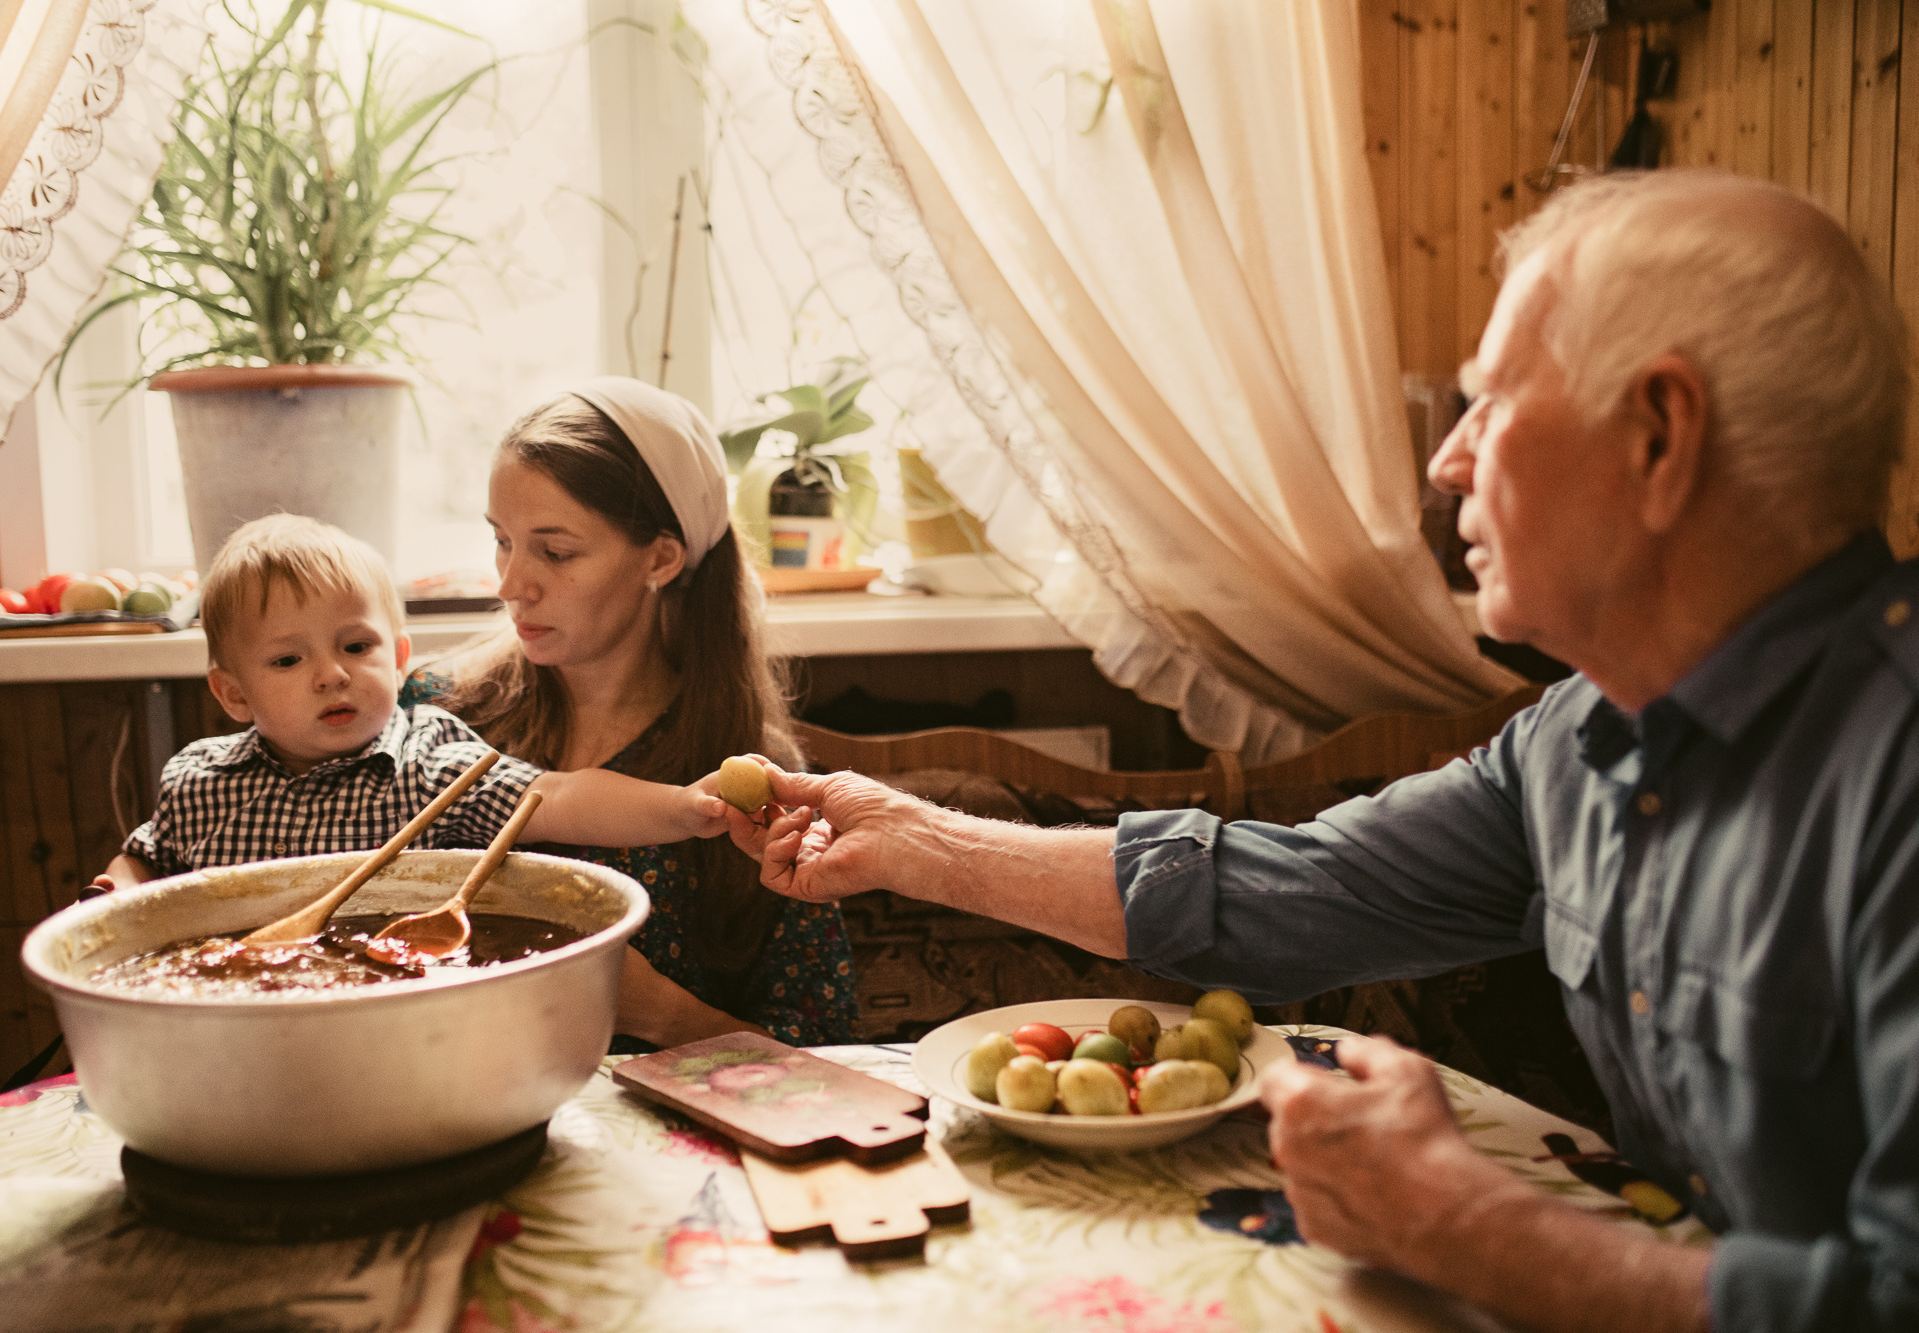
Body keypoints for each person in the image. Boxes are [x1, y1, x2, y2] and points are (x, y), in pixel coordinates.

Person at [725, 171, 1919, 1333]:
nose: (1448, 462)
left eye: (1490, 405)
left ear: (1657, 437)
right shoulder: (1573, 741)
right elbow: (1293, 893)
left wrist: (1467, 1228)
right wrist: (917, 841)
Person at [402, 379, 862, 1052]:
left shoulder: (747, 784)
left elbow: (827, 1051)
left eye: (555, 551)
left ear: (661, 558)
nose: (510, 584)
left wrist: (660, 1014)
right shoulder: (438, 712)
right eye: (502, 540)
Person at [95, 514, 727, 890]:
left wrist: (683, 806)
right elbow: (149, 858)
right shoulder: (198, 781)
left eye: (356, 645)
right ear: (234, 693)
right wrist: (114, 889)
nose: (332, 675)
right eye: (288, 660)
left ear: (399, 661)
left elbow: (555, 797)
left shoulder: (432, 765)